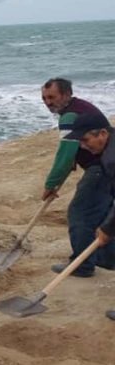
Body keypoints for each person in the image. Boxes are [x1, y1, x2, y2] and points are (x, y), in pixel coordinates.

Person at [40, 78, 112, 278]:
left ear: (66, 94)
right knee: (102, 215)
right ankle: (106, 259)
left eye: (52, 97)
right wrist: (74, 158)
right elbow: (73, 149)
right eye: (44, 98)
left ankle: (82, 265)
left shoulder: (69, 116)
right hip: (105, 167)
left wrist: (51, 184)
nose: (48, 102)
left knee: (80, 214)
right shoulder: (80, 107)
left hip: (99, 169)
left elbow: (65, 154)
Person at [66, 113, 115, 319]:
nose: (83, 146)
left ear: (102, 133)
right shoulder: (109, 148)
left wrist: (108, 228)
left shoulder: (112, 158)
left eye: (86, 140)